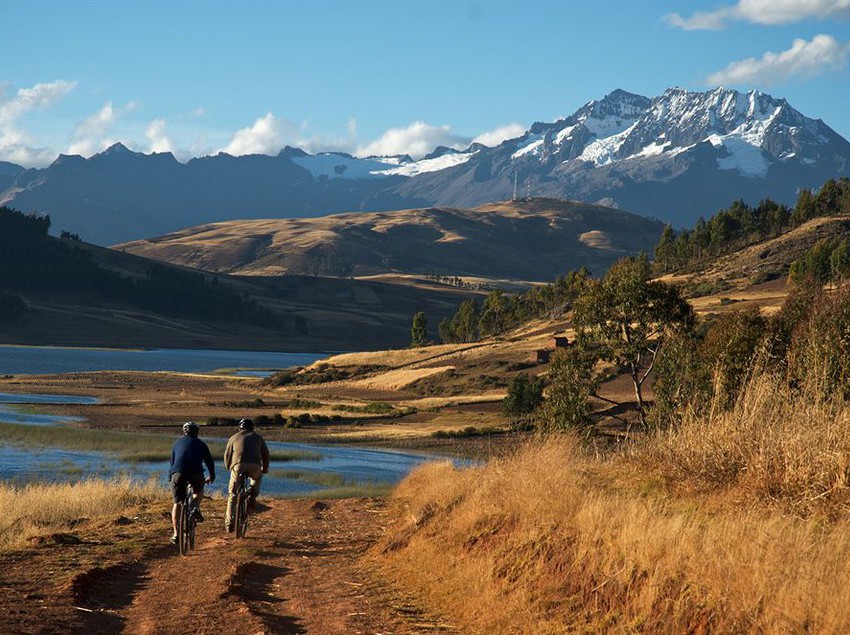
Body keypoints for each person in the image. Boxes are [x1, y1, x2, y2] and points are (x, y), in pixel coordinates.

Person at [168, 421, 215, 544]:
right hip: (196, 473)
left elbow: (172, 462)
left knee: (177, 503)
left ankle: (176, 534)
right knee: (199, 491)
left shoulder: (177, 443)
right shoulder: (201, 444)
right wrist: (212, 476)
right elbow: (209, 461)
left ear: (184, 431)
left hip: (177, 473)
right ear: (197, 432)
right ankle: (195, 507)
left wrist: (170, 477)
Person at [224, 418, 270, 532]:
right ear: (252, 428)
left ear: (240, 428)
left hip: (238, 466)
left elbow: (227, 454)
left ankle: (229, 523)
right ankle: (252, 494)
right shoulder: (258, 438)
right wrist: (265, 468)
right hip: (255, 465)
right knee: (256, 478)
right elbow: (265, 453)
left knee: (233, 495)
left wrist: (228, 466)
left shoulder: (234, 437)